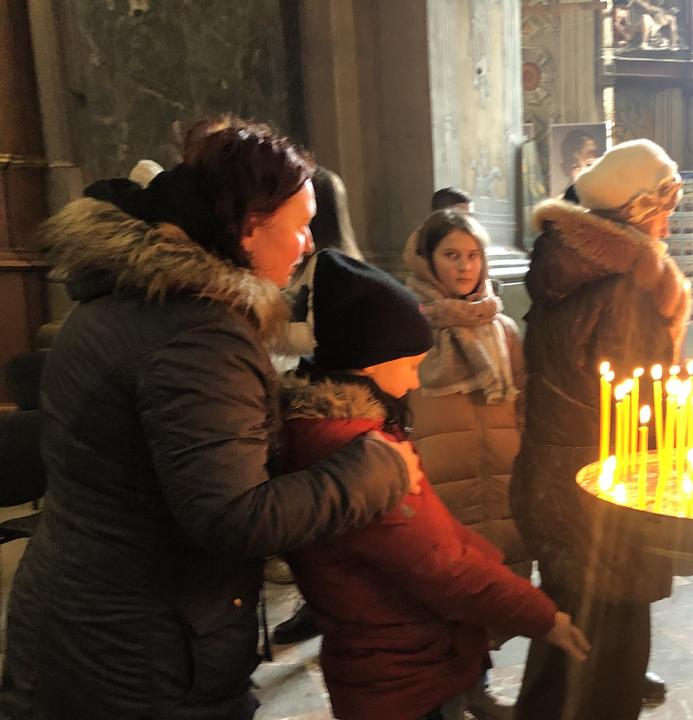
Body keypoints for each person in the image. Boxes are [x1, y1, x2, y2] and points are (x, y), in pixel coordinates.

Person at [0, 118, 423, 720]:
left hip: (94, 620)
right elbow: (232, 515)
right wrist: (375, 470)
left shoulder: (135, 298)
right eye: (300, 225)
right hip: (141, 655)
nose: (308, 243)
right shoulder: (197, 336)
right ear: (249, 225)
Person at [280, 249, 588, 720]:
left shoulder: (340, 427)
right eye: (407, 363)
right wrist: (543, 617)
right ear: (367, 359)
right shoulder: (358, 454)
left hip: (391, 659)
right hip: (402, 676)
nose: (412, 380)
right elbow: (442, 567)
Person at [512, 139, 691, 720]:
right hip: (611, 490)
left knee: (564, 633)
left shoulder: (564, 268)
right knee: (611, 660)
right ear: (639, 210)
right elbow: (645, 401)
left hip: (558, 477)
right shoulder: (626, 290)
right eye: (666, 205)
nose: (670, 220)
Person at [403, 209, 529, 719]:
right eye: (451, 255)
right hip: (438, 481)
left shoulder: (501, 326)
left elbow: (521, 399)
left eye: (472, 255)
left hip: (497, 478)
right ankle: (444, 695)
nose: (464, 267)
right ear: (428, 261)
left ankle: (476, 685)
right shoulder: (412, 326)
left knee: (487, 588)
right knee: (440, 594)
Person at [270, 164, 368, 643]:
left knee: (322, 517)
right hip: (330, 394)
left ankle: (322, 605)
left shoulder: (326, 264)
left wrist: (267, 326)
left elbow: (319, 333)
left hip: (324, 394)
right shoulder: (335, 259)